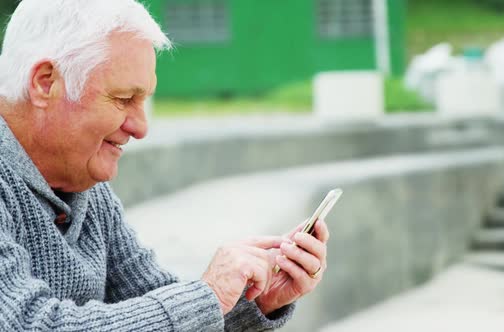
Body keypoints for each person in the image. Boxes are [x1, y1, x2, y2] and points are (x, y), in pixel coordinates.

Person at [0, 0, 329, 331]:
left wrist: (256, 300)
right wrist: (210, 295)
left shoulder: (86, 186)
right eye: (124, 99)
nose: (141, 128)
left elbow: (160, 306)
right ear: (45, 83)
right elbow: (29, 324)